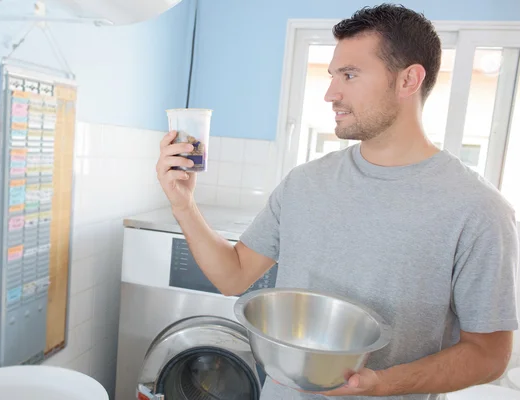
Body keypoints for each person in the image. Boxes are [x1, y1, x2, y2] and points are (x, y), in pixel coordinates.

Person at [156, 4, 519, 400]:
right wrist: (183, 205)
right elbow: (233, 276)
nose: (331, 93)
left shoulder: (478, 209)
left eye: (349, 75)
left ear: (409, 80)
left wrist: (383, 384)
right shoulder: (305, 183)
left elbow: (489, 355)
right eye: (332, 76)